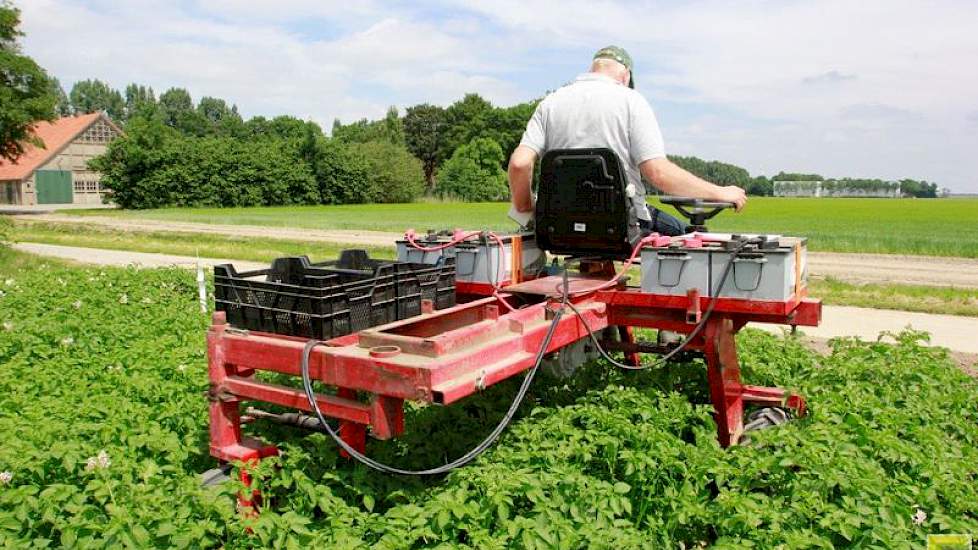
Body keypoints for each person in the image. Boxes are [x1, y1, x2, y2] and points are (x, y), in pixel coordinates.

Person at [508, 46, 747, 236]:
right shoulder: (631, 100)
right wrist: (718, 192)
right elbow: (658, 173)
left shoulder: (550, 103)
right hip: (621, 228)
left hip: (558, 228)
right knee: (687, 236)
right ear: (625, 75)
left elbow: (519, 164)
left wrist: (525, 208)